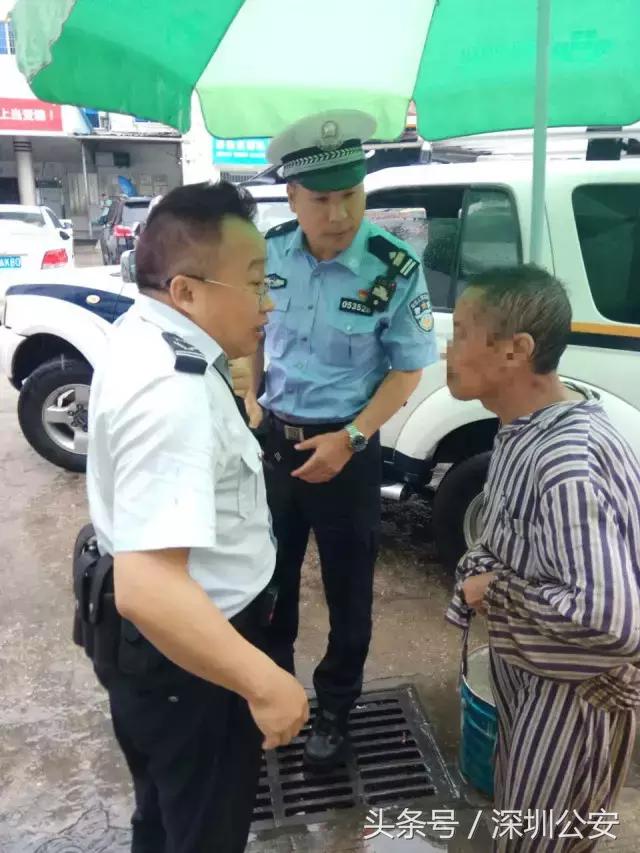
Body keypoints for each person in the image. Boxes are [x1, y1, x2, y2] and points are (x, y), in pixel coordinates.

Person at [82, 182, 309, 853]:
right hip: (194, 660)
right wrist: (264, 682)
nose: (269, 303)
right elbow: (149, 587)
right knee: (205, 828)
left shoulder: (145, 334)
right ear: (185, 291)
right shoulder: (172, 392)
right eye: (255, 282)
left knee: (163, 814)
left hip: (163, 657)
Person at [244, 110, 439, 767]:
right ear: (292, 197)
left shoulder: (393, 266)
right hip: (274, 444)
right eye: (322, 200)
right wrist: (250, 394)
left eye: (351, 195)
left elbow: (407, 369)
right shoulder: (268, 253)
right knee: (267, 582)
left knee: (349, 591)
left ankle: (334, 710)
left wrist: (352, 437)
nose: (340, 213)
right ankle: (274, 694)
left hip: (349, 450)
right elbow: (251, 332)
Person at [445, 265, 640, 852]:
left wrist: (492, 590)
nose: (447, 349)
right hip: (536, 685)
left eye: (460, 333)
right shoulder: (525, 428)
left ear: (516, 350)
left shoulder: (567, 462)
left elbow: (610, 622)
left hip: (572, 702)